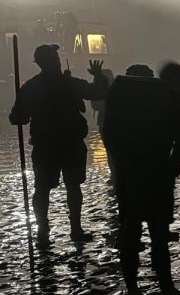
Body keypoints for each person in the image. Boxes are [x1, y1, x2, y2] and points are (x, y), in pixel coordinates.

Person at [102, 62, 180, 295]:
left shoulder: (120, 94)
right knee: (159, 233)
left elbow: (106, 131)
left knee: (129, 231)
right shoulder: (174, 99)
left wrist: (119, 164)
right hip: (158, 172)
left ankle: (133, 291)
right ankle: (166, 290)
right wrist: (172, 168)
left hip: (128, 173)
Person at [9, 44, 108, 244]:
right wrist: (97, 76)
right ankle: (65, 231)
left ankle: (46, 232)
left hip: (49, 145)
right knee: (61, 188)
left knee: (50, 188)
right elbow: (97, 91)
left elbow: (17, 118)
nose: (58, 59)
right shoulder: (67, 83)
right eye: (54, 57)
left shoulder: (32, 87)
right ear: (50, 61)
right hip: (64, 144)